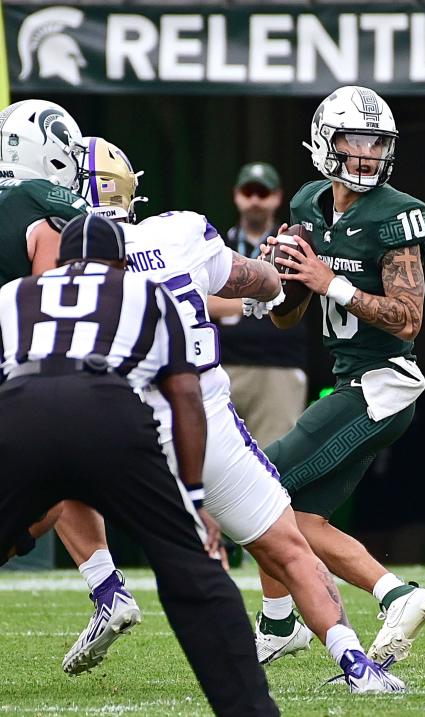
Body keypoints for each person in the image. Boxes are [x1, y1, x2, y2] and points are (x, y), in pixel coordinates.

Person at [76, 136, 404, 692]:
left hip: (120, 419)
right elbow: (264, 283)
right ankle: (356, 665)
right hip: (204, 412)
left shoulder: (56, 247)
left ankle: (106, 586)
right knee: (287, 545)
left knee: (49, 481)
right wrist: (274, 289)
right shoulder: (179, 232)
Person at [0, 213, 279, 716]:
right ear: (121, 260)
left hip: (23, 414)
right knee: (192, 571)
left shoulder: (15, 293)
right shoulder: (145, 292)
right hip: (108, 415)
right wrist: (192, 498)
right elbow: (185, 394)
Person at [245, 85, 425, 665]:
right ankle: (397, 595)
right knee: (299, 517)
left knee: (257, 483)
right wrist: (284, 279)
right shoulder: (308, 203)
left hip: (386, 381)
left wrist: (330, 278)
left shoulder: (396, 215)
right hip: (350, 382)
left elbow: (409, 321)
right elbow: (289, 317)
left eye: (377, 142)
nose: (367, 154)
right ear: (325, 143)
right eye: (355, 140)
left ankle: (279, 622)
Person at [0, 99, 146, 674]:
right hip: (29, 371)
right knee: (44, 488)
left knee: (57, 475)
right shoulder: (41, 200)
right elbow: (56, 290)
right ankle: (109, 590)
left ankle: (108, 590)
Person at [210, 162, 309, 446]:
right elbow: (195, 298)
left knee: (275, 464)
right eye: (248, 191)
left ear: (277, 197)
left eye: (262, 192)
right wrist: (262, 295)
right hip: (222, 367)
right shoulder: (215, 245)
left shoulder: (293, 245)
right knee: (216, 467)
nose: (255, 199)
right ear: (236, 195)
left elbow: (297, 299)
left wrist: (229, 298)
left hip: (279, 367)